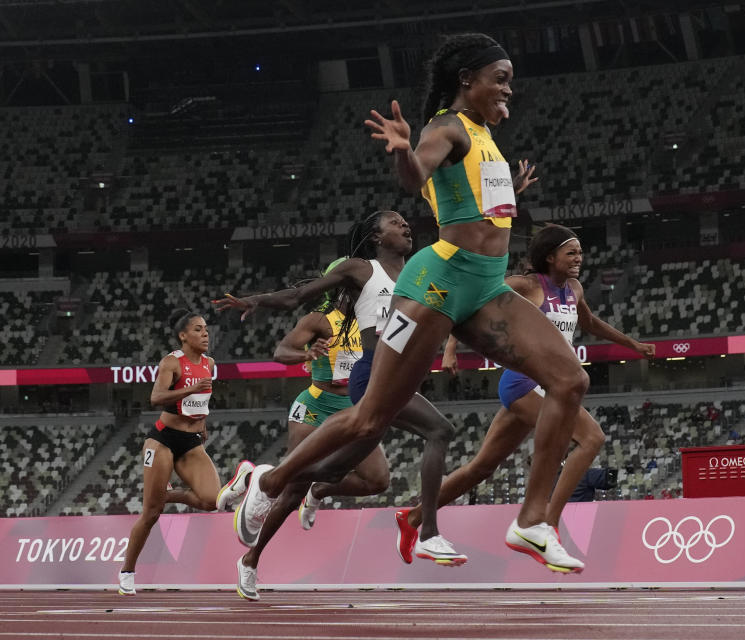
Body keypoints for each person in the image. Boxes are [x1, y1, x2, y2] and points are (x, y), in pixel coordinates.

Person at [225, 32, 589, 573]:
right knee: (371, 417)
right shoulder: (445, 127)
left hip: (486, 285)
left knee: (570, 381)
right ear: (468, 79)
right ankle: (269, 480)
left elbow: (477, 203)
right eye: (501, 79)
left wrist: (511, 188)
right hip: (436, 283)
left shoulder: (485, 136)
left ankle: (532, 522)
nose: (509, 89)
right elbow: (418, 171)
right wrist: (403, 152)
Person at [215, 211, 465, 599]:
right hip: (362, 381)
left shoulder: (417, 274)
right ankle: (426, 530)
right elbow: (299, 295)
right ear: (376, 237)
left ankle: (262, 489)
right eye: (394, 222)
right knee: (440, 429)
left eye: (405, 221)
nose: (404, 226)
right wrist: (257, 300)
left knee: (336, 472)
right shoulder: (359, 272)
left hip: (397, 378)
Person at [401, 225, 655, 542]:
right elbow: (472, 299)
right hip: (524, 382)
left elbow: (590, 323)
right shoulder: (526, 285)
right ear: (550, 256)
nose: (580, 257)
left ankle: (412, 517)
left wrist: (632, 344)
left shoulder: (574, 288)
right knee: (591, 438)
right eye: (571, 252)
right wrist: (451, 348)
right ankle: (545, 524)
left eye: (580, 252)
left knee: (481, 467)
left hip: (551, 385)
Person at [118, 309, 249, 596]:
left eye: (206, 329)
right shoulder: (172, 362)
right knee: (151, 513)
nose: (205, 334)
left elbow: (201, 400)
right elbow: (156, 398)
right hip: (162, 440)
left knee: (211, 500)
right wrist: (188, 390)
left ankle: (167, 492)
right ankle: (127, 571)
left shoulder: (209, 363)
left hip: (191, 442)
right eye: (199, 329)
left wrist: (203, 424)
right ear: (183, 335)